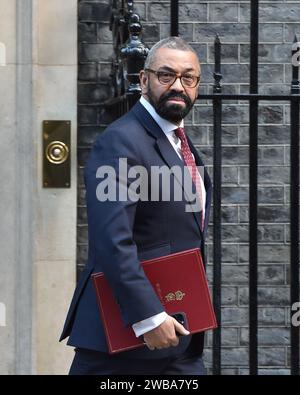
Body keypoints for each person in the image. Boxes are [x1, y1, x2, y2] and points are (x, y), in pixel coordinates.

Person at [60, 36, 212, 375]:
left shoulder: (179, 144)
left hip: (177, 338)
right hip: (126, 343)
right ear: (144, 80)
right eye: (166, 75)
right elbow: (112, 240)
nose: (178, 86)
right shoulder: (121, 141)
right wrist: (149, 316)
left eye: (188, 78)